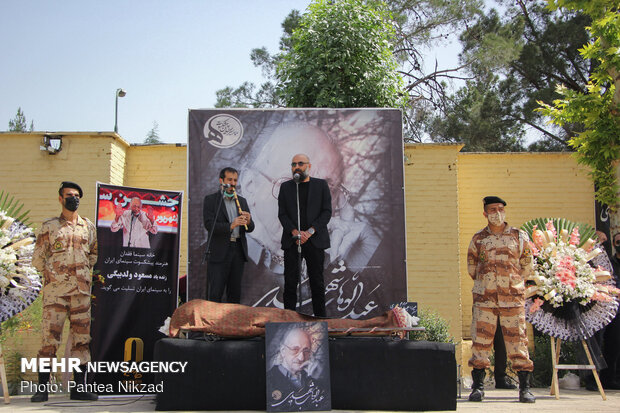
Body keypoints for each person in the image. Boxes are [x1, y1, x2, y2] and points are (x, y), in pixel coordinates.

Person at [30, 181, 98, 402]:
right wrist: (53, 277)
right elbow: (38, 259)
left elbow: (93, 256)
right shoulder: (49, 226)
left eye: (77, 195)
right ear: (60, 198)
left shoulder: (88, 226)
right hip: (55, 294)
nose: (74, 198)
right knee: (49, 340)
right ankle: (42, 389)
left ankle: (79, 388)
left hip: (81, 293)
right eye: (69, 195)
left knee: (82, 340)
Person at [467, 196, 535, 403]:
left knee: (518, 343)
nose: (497, 213)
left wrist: (512, 282)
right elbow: (472, 267)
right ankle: (478, 387)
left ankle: (525, 389)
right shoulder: (478, 239)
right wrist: (488, 283)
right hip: (485, 300)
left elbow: (527, 264)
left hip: (512, 299)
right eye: (493, 209)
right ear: (485, 214)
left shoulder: (518, 236)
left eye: (500, 209)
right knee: (480, 342)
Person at [278, 154, 331, 317]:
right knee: (290, 282)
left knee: (317, 282)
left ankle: (320, 320)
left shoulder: (321, 185)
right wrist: (295, 232)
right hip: (292, 241)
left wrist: (310, 232)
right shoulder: (286, 187)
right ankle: (288, 320)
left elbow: (326, 212)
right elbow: (282, 214)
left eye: (300, 163)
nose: (296, 167)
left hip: (315, 241)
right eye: (293, 164)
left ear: (309, 166)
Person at [203, 167, 254, 303]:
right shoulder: (211, 200)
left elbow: (250, 228)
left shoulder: (242, 201)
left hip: (238, 250)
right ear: (221, 180)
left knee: (234, 292)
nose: (232, 183)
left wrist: (248, 221)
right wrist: (231, 225)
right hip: (219, 252)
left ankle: (233, 322)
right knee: (216, 292)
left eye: (235, 180)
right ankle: (213, 323)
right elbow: (210, 225)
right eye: (229, 180)